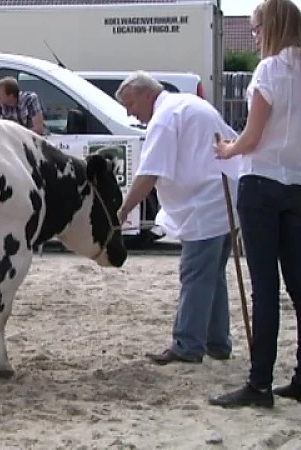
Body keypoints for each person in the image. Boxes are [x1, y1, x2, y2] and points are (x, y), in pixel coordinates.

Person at [210, 0, 301, 408]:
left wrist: (227, 149)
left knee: (265, 287)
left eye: (258, 29)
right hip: (296, 181)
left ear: (273, 27)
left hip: (261, 181)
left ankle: (259, 384)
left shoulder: (269, 70)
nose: (255, 35)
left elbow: (253, 137)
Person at [114, 71, 239, 366]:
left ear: (147, 95)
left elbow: (149, 174)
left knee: (195, 274)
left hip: (206, 204)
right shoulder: (185, 104)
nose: (129, 112)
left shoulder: (166, 117)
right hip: (223, 198)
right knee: (211, 275)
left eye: (130, 103)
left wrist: (122, 210)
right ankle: (216, 342)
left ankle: (188, 344)